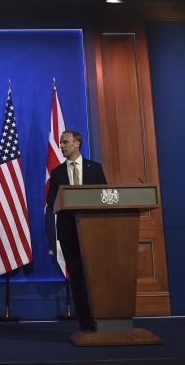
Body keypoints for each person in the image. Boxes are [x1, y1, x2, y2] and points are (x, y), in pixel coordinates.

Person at [45, 130, 107, 332]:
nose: (62, 146)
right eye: (61, 143)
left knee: (96, 276)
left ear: (77, 143)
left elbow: (105, 197)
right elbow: (51, 205)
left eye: (65, 142)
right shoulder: (57, 173)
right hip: (69, 233)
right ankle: (86, 323)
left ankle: (103, 317)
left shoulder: (95, 169)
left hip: (94, 232)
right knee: (78, 278)